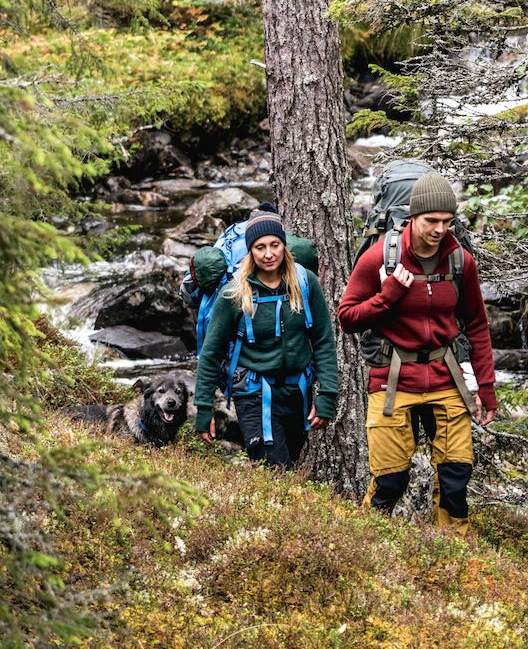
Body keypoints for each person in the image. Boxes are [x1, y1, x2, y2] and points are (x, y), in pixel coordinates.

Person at [338, 171, 497, 535]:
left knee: (456, 481)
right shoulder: (380, 256)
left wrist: (485, 387)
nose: (440, 229)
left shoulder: (460, 262)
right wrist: (388, 295)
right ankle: (364, 544)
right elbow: (347, 318)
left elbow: (476, 324)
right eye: (431, 221)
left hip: (447, 378)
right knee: (390, 482)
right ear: (412, 217)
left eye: (447, 221)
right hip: (393, 380)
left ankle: (455, 554)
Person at [193, 204, 337, 469]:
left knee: (288, 465)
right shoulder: (233, 293)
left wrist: (327, 394)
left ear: (284, 245)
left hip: (297, 393)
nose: (269, 254)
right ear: (250, 250)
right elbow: (211, 354)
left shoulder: (306, 283)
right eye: (260, 247)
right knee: (275, 471)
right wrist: (203, 408)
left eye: (275, 245)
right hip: (254, 394)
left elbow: (323, 341)